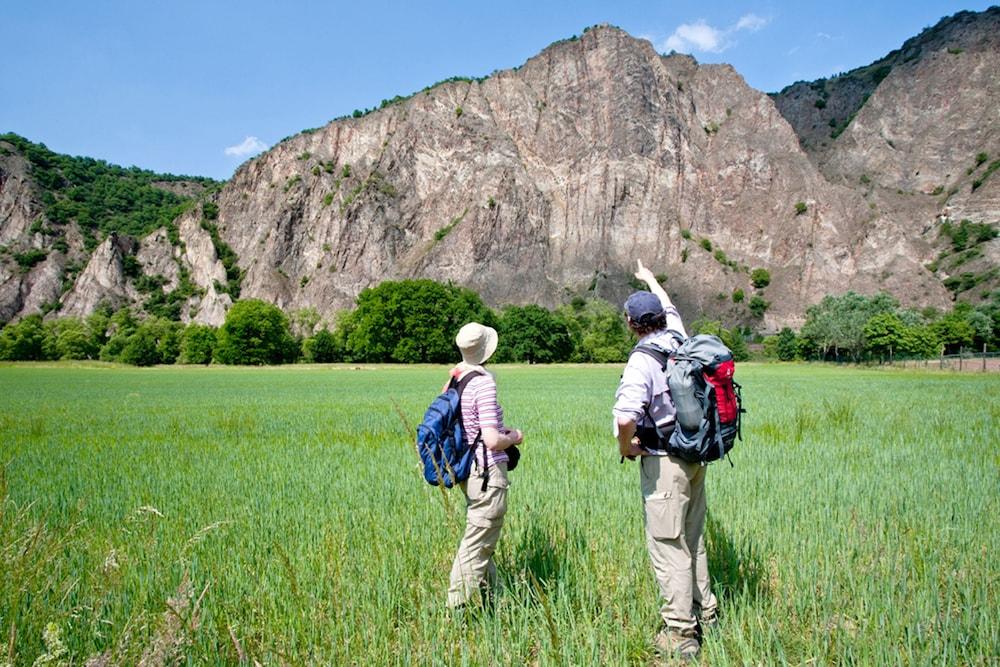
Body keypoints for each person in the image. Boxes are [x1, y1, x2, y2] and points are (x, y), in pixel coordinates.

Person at [613, 260, 718, 661]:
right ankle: (706, 613)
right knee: (693, 540)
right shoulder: (678, 337)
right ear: (658, 318)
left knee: (669, 544)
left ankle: (680, 632)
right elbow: (670, 305)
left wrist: (626, 447)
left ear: (631, 323)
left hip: (664, 465)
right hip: (695, 457)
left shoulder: (641, 361)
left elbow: (626, 416)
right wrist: (651, 279)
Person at [446, 321, 524, 610]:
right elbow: (492, 439)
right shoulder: (483, 383)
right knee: (478, 542)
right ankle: (455, 609)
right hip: (488, 472)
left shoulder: (455, 378)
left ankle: (497, 602)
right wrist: (515, 437)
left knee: (483, 536)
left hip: (468, 472)